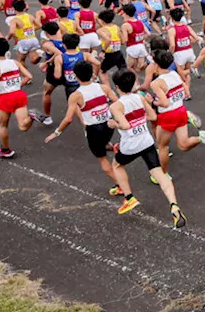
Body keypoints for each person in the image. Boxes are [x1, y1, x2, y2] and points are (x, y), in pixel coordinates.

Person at [44, 61, 136, 214]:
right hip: (108, 126)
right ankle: (112, 148)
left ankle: (123, 189)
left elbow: (68, 119)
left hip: (94, 130)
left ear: (75, 76)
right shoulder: (104, 87)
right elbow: (118, 102)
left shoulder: (76, 95)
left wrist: (57, 132)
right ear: (92, 73)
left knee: (102, 160)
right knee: (103, 144)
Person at [106, 70, 187, 229]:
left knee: (116, 165)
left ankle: (129, 197)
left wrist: (114, 124)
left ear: (117, 87)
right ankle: (174, 205)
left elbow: (125, 125)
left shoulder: (116, 106)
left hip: (130, 145)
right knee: (161, 175)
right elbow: (153, 117)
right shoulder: (140, 97)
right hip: (146, 141)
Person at [0, 38, 33, 158]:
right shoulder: (15, 62)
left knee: (3, 125)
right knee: (23, 125)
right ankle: (31, 117)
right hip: (18, 95)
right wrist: (17, 85)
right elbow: (29, 76)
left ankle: (5, 150)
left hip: (5, 97)